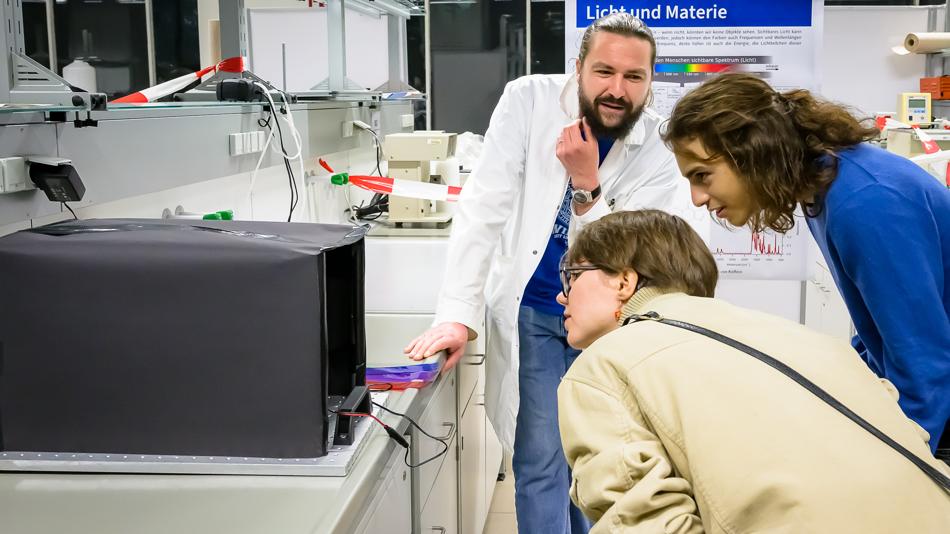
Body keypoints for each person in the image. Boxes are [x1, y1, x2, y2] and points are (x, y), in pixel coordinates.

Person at [403, 13, 694, 534]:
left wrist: (586, 183)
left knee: (602, 459)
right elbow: (484, 207)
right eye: (604, 71)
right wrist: (457, 314)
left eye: (634, 78)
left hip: (611, 322)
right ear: (578, 67)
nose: (617, 89)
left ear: (651, 82)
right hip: (537, 312)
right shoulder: (529, 101)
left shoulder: (656, 144)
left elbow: (634, 252)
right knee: (540, 460)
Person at [556, 209, 950, 532]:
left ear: (625, 281)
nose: (563, 294)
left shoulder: (603, 366)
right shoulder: (806, 338)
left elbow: (640, 524)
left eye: (573, 276)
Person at [662, 72, 950, 457]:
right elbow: (880, 331)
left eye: (703, 176)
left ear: (751, 152)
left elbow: (926, 364)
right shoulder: (826, 188)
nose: (697, 197)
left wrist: (901, 467)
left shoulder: (865, 202)